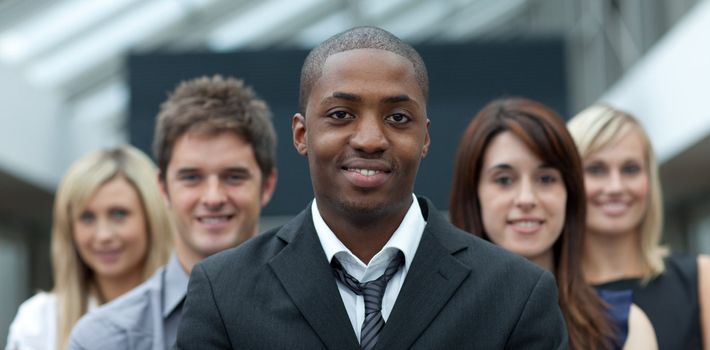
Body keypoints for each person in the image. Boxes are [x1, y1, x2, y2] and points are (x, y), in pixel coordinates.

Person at [176, 26, 567, 349]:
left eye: (398, 117)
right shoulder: (224, 292)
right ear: (301, 133)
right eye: (341, 115)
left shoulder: (515, 294)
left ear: (425, 137)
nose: (369, 139)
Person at [68, 75, 278, 349]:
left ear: (267, 186)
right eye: (191, 177)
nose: (213, 197)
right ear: (163, 187)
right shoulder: (103, 339)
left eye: (234, 177)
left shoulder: (323, 310)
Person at [448, 97, 616, 349]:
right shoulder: (436, 322)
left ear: (570, 192)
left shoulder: (622, 324)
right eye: (504, 180)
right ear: (474, 195)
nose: (526, 199)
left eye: (546, 179)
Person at [568, 104, 710, 349]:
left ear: (649, 180)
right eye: (595, 169)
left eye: (630, 169)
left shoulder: (701, 277)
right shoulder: (550, 295)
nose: (615, 187)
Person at [6, 145, 172, 350]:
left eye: (119, 214)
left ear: (152, 219)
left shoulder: (189, 312)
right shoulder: (40, 320)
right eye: (87, 217)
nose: (103, 235)